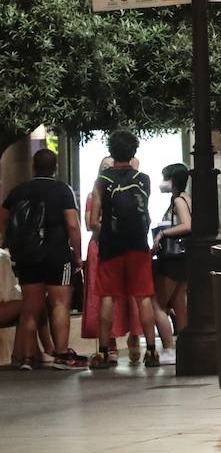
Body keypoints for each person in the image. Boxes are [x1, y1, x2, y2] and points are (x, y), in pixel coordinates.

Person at [0, 148, 85, 369]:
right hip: (57, 254)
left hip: (27, 256)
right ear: (55, 168)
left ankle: (27, 358)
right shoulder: (62, 190)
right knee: (60, 304)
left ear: (33, 167)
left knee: (30, 307)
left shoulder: (18, 191)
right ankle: (61, 354)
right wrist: (77, 255)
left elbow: (2, 220)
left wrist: (8, 242)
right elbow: (73, 225)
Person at [88, 131, 159, 369]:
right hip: (138, 244)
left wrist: (101, 236)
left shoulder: (102, 181)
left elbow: (92, 220)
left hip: (111, 245)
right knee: (143, 297)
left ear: (111, 151)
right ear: (133, 152)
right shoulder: (144, 179)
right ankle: (151, 351)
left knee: (108, 296)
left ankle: (104, 352)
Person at [83, 156, 142, 362]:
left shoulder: (123, 192)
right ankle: (110, 345)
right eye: (105, 168)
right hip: (102, 247)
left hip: (116, 246)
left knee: (127, 295)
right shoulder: (95, 194)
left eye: (112, 166)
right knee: (107, 296)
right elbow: (90, 223)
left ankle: (133, 337)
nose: (110, 170)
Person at [151, 163, 191, 353]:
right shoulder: (186, 198)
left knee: (158, 305)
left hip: (172, 261)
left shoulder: (178, 201)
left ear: (173, 181)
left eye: (165, 178)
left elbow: (187, 225)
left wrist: (164, 234)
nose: (162, 183)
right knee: (179, 304)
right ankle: (185, 349)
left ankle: (168, 348)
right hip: (183, 260)